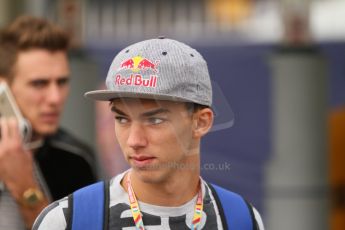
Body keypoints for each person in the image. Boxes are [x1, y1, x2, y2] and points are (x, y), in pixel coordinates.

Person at [33, 38, 264, 229]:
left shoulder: (240, 219)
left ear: (201, 122)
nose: (134, 141)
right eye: (122, 118)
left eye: (154, 120)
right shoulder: (68, 220)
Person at [0, 16, 98, 229]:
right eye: (39, 83)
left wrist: (25, 187)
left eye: (62, 82)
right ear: (2, 88)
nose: (55, 98)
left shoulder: (74, 160)